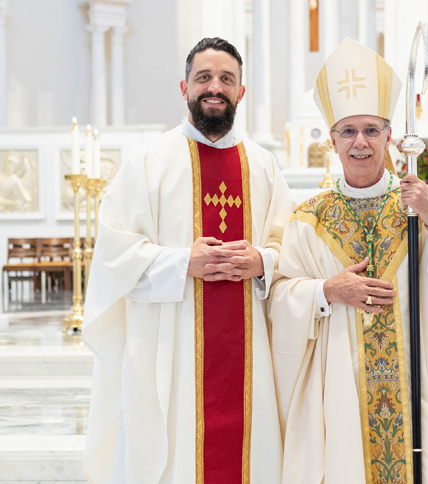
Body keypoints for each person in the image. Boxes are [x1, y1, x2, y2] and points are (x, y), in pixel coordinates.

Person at [268, 38, 428, 484]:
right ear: (331, 141)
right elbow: (276, 299)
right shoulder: (309, 219)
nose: (360, 142)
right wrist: (325, 291)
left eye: (371, 130)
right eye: (348, 131)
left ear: (390, 137)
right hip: (338, 394)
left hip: (416, 389)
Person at [82, 37, 293, 484]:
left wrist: (261, 260)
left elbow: (290, 250)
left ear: (240, 92)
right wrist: (182, 263)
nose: (214, 87)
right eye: (203, 78)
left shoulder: (263, 167)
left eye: (226, 79)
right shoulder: (146, 163)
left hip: (249, 352)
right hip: (169, 350)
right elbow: (113, 259)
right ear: (184, 88)